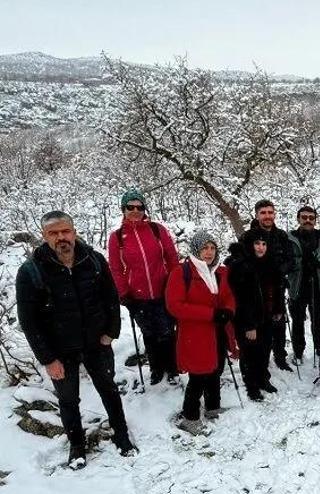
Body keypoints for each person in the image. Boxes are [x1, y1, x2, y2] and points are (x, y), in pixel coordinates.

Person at [16, 211, 136, 469]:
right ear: (44, 236)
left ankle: (122, 435)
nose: (61, 237)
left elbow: (110, 297)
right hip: (60, 350)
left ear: (74, 231)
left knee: (109, 390)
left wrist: (111, 332)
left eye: (65, 231)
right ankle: (77, 446)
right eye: (53, 233)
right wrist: (48, 359)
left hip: (97, 343)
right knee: (68, 400)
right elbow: (29, 320)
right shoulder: (31, 271)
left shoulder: (93, 260)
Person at [107, 189, 180, 385]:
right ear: (123, 209)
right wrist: (124, 293)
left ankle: (172, 367)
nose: (135, 211)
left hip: (163, 290)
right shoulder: (117, 237)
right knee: (149, 333)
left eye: (139, 207)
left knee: (166, 331)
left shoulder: (157, 230)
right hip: (137, 296)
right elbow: (115, 268)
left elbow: (172, 258)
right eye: (130, 207)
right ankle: (156, 368)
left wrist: (175, 285)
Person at [166, 231, 236, 435]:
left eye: (212, 248)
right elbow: (175, 306)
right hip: (195, 333)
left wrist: (228, 311)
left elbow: (229, 296)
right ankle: (190, 417)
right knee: (198, 376)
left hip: (217, 331)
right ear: (196, 249)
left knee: (216, 370)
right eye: (205, 248)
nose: (209, 252)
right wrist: (211, 314)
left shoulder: (220, 272)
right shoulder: (182, 273)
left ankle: (213, 407)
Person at [225, 230, 283, 401]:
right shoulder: (240, 266)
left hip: (267, 315)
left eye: (264, 244)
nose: (261, 247)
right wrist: (249, 324)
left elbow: (277, 288)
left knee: (264, 350)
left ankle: (263, 379)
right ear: (250, 245)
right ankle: (251, 386)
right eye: (257, 243)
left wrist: (278, 309)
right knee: (250, 353)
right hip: (248, 319)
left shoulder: (270, 262)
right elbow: (240, 299)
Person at [240, 200, 295, 372]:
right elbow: (240, 262)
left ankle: (280, 356)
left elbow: (291, 260)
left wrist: (279, 271)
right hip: (256, 290)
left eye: (270, 212)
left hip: (276, 288)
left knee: (279, 324)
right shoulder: (248, 237)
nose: (267, 216)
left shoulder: (281, 236)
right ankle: (257, 361)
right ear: (257, 215)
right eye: (263, 213)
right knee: (259, 325)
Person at [286, 206, 320, 365]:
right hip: (297, 287)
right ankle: (298, 352)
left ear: (315, 220)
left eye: (311, 218)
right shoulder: (290, 237)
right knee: (297, 321)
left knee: (318, 321)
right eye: (304, 217)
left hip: (317, 286)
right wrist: (300, 261)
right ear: (298, 218)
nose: (307, 220)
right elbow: (287, 261)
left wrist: (316, 257)